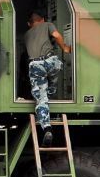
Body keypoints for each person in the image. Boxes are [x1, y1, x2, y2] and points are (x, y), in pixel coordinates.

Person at [25, 10, 71, 146]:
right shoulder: (47, 24)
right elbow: (56, 35)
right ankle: (52, 91)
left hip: (35, 64)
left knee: (41, 99)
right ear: (43, 19)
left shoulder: (27, 34)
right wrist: (65, 48)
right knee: (57, 68)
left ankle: (47, 128)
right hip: (51, 62)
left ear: (29, 24)